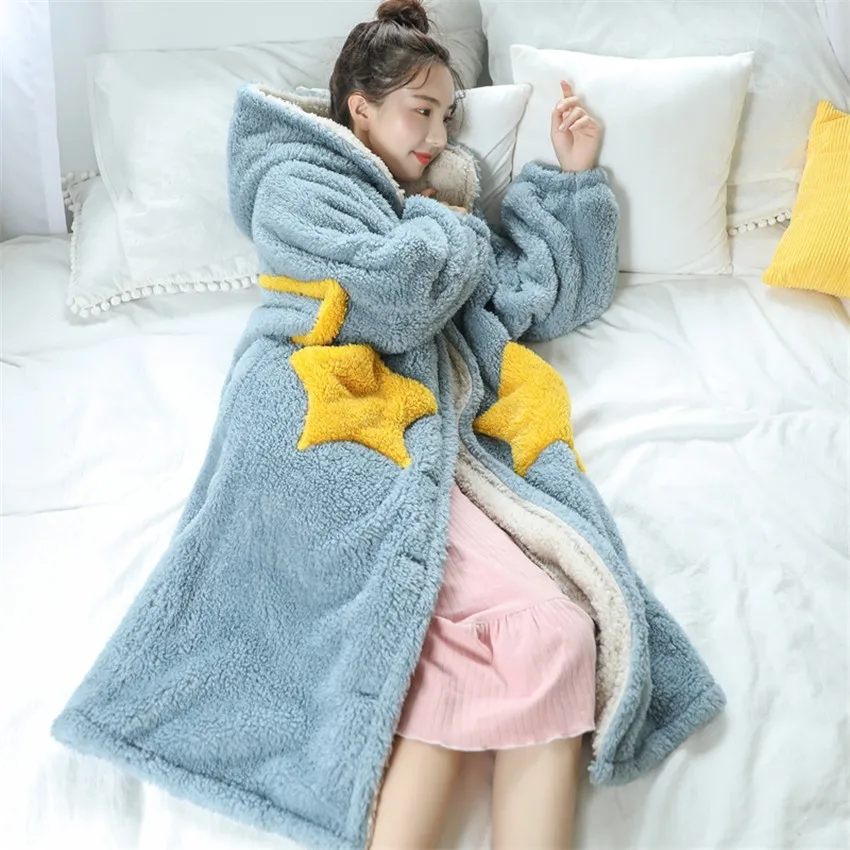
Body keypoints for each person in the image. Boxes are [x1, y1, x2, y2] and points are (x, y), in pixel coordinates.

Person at [51, 1, 726, 847]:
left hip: (418, 417)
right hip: (316, 410)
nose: (440, 135)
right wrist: (448, 218)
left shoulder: (431, 212)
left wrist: (572, 178)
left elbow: (540, 299)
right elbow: (395, 300)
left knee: (519, 634)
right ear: (360, 108)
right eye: (422, 110)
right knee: (544, 628)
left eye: (449, 116)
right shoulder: (297, 179)